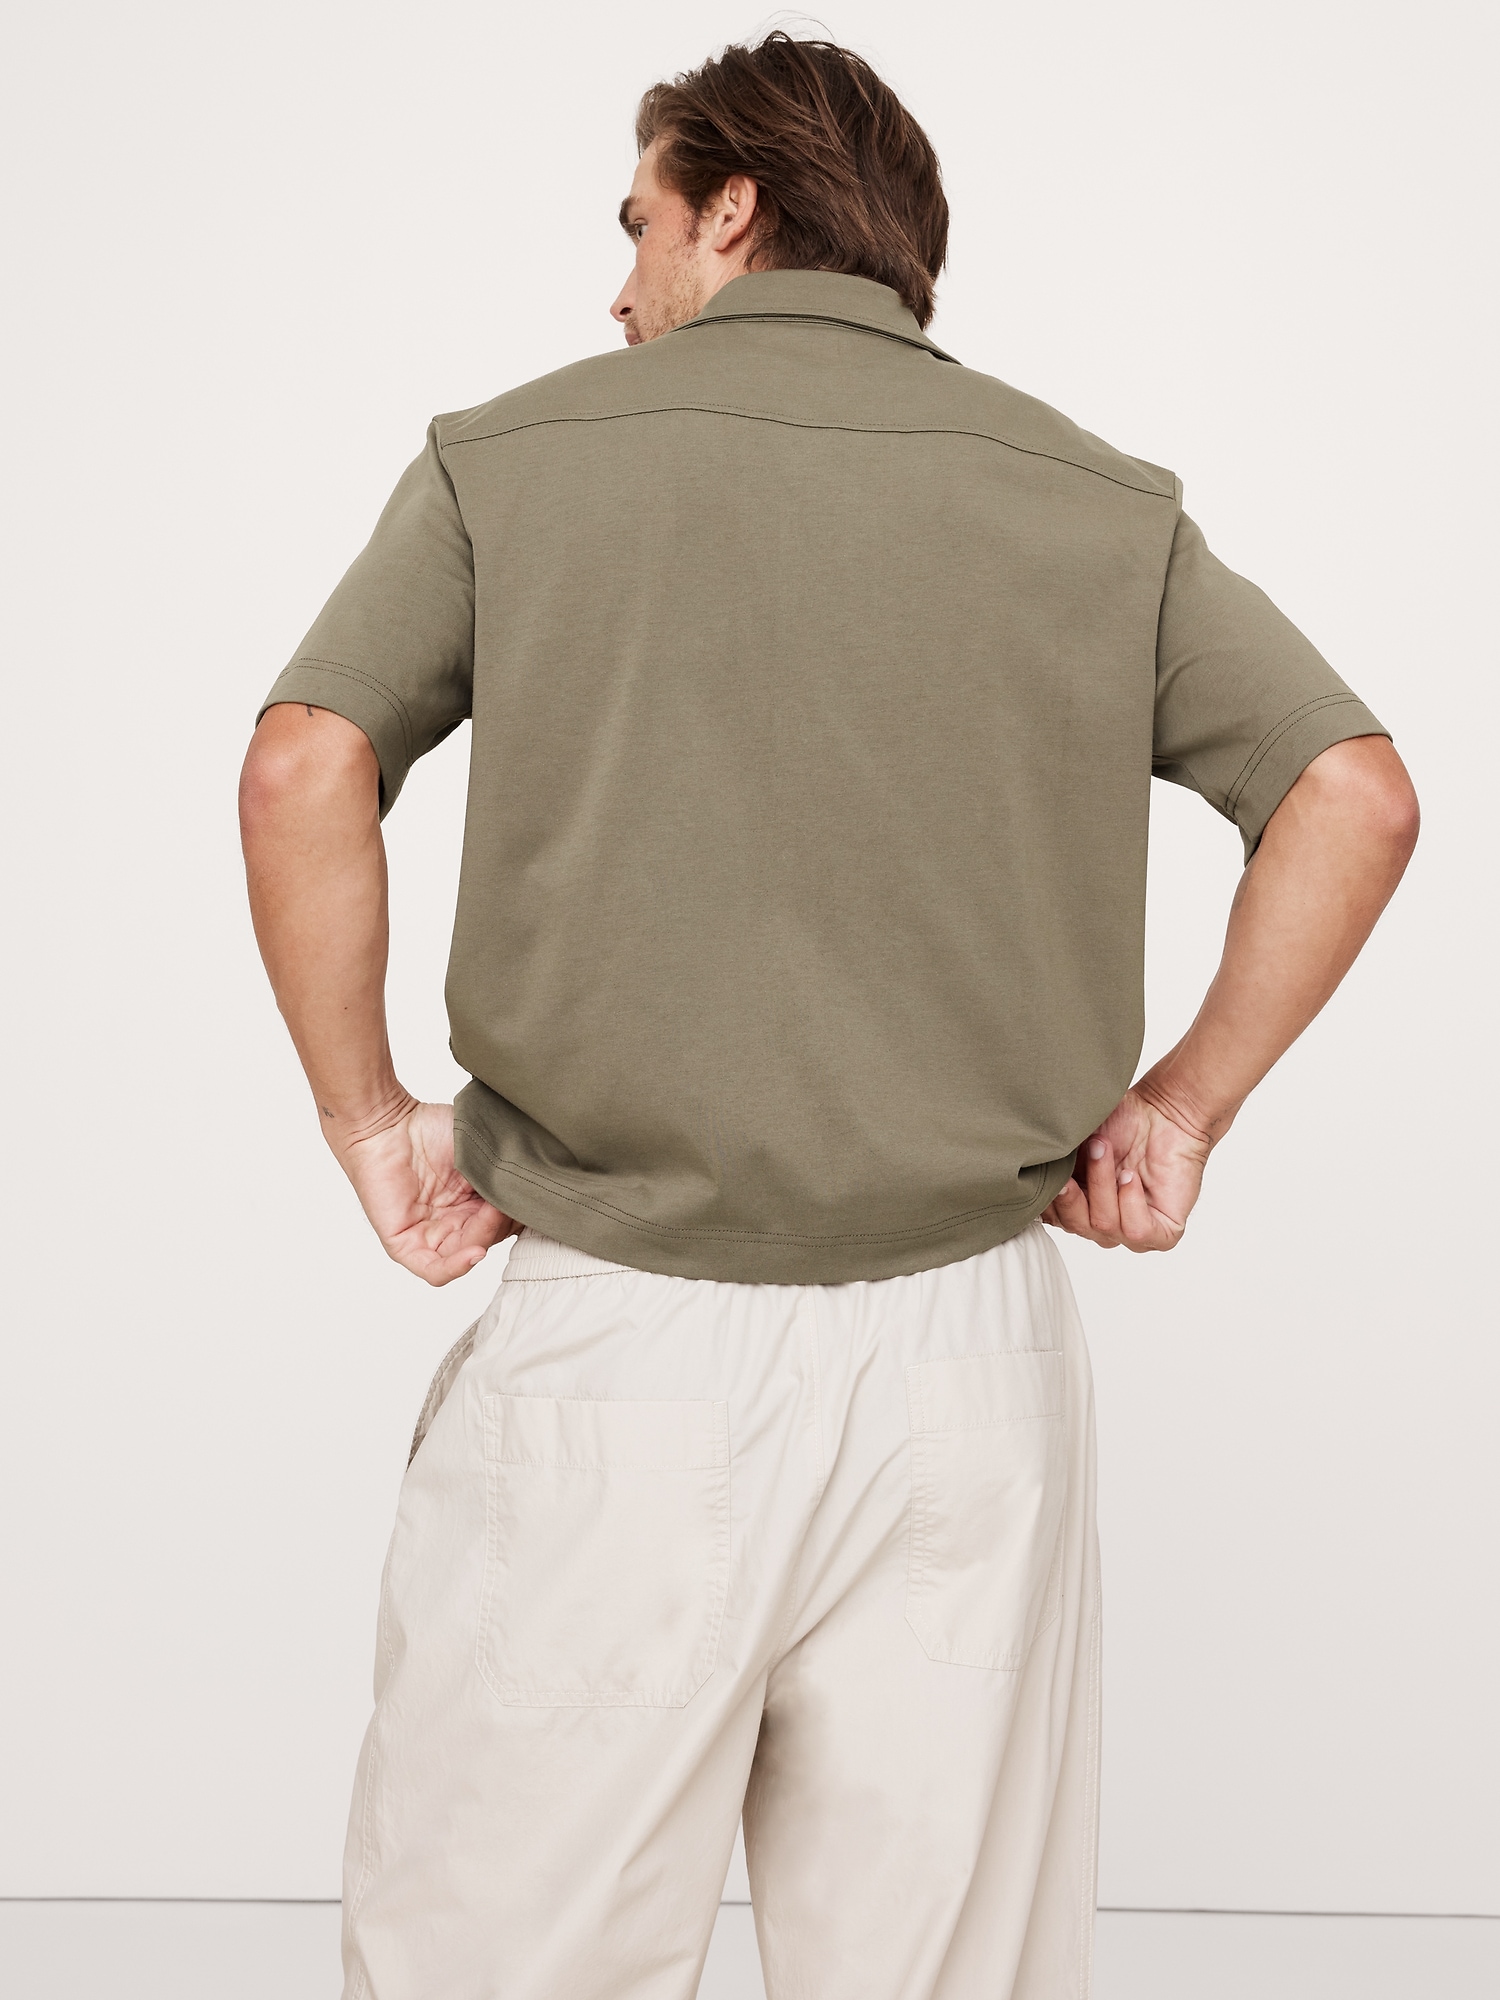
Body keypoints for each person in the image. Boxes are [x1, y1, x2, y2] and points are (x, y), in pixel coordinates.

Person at [239, 32, 1418, 2000]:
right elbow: (1353, 791)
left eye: (639, 222)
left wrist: (370, 1120)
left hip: (616, 1349)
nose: (618, 286)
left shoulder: (509, 463)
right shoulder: (1096, 500)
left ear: (735, 207)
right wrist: (1181, 1111)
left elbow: (302, 764)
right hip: (972, 1367)